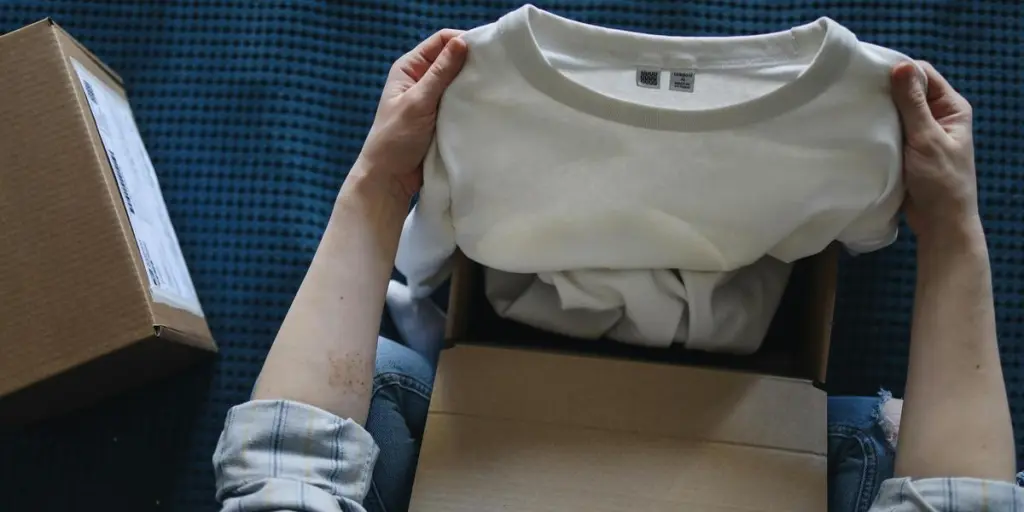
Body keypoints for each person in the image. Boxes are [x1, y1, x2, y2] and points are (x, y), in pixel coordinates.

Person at [212, 29, 1022, 512]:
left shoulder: (480, 85)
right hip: (744, 452)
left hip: (501, 440)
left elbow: (290, 471)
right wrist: (951, 229)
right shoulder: (867, 115)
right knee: (867, 437)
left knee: (383, 374)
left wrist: (380, 188)